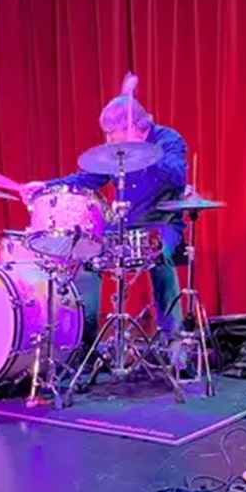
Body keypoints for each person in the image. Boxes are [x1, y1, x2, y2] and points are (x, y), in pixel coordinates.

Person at [20, 73, 187, 355]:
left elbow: (178, 177)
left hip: (163, 222)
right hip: (125, 222)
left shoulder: (168, 139)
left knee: (162, 258)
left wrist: (144, 151)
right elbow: (88, 178)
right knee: (87, 252)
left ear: (132, 126)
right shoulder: (116, 152)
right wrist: (47, 186)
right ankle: (84, 342)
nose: (108, 140)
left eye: (112, 133)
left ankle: (175, 345)